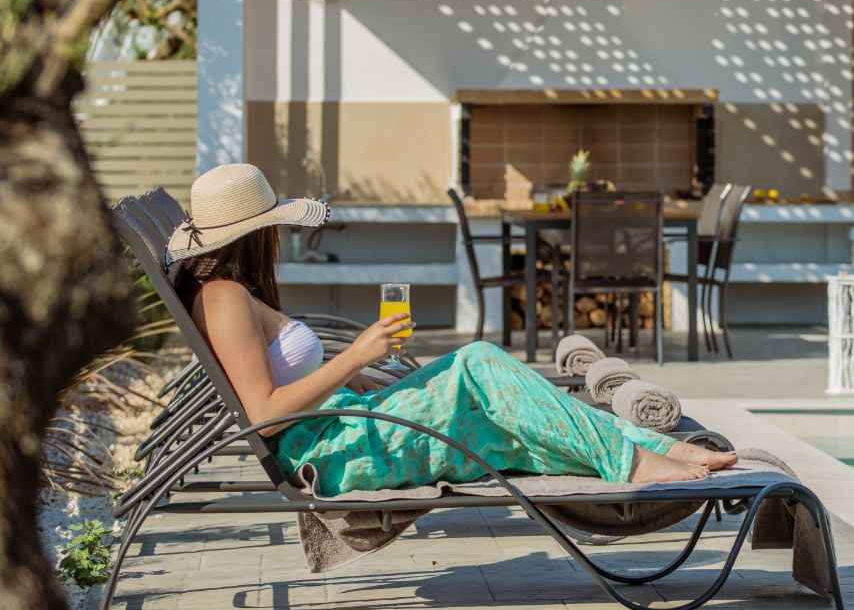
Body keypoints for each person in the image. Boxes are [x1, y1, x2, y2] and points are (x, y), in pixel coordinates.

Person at [166, 164, 736, 496]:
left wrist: (357, 378)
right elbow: (265, 416)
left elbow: (273, 380)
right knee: (482, 364)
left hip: (343, 422)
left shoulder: (226, 291)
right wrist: (354, 357)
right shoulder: (223, 298)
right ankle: (634, 461)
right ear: (257, 233)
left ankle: (651, 445)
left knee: (498, 397)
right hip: (333, 453)